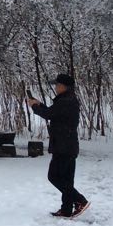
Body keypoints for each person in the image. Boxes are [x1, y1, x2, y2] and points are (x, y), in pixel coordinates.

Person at [27, 73, 89, 218]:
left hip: (63, 146)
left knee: (54, 176)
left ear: (64, 86)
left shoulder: (65, 101)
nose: (55, 87)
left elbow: (49, 114)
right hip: (69, 145)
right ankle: (66, 209)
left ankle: (80, 200)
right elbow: (53, 113)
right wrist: (38, 104)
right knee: (67, 179)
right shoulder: (68, 100)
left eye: (57, 85)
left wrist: (35, 106)